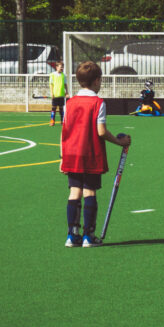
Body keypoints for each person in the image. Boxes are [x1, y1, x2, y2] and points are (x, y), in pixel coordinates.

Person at [59, 61, 131, 247]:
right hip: (90, 154)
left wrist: (62, 157)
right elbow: (101, 131)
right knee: (89, 191)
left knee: (74, 191)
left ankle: (72, 235)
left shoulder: (69, 103)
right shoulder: (98, 103)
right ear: (97, 81)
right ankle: (88, 236)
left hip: (72, 154)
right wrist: (119, 141)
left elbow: (64, 132)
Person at [48, 61, 67, 126]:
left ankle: (62, 121)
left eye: (62, 67)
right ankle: (52, 120)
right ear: (56, 67)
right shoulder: (52, 75)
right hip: (55, 95)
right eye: (60, 67)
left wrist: (66, 92)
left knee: (61, 109)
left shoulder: (63, 75)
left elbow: (65, 84)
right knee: (54, 108)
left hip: (61, 95)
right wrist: (51, 93)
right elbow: (51, 84)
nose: (62, 68)